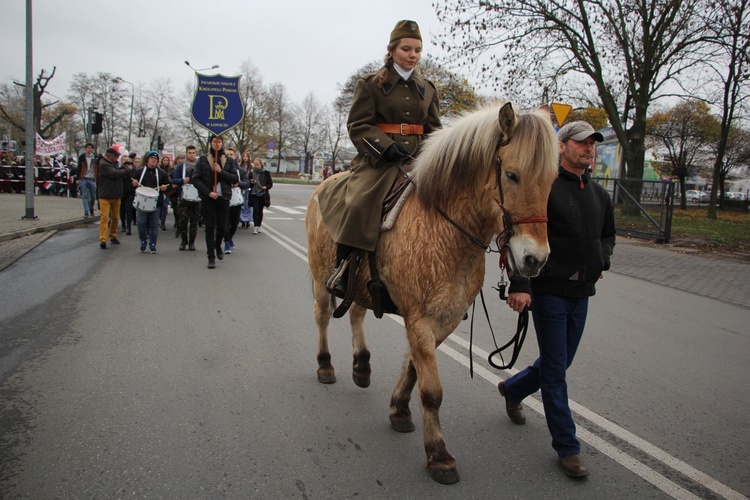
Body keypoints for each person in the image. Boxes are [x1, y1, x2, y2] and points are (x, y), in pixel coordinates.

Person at [497, 121, 616, 479]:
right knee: (555, 371)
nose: (589, 149)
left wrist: (602, 259)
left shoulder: (599, 193)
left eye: (593, 143)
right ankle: (568, 448)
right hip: (549, 290)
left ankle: (513, 387)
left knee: (558, 364)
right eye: (581, 143)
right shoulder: (545, 187)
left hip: (582, 293)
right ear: (561, 146)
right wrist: (521, 283)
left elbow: (608, 235)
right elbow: (520, 231)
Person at [317, 19, 441, 297]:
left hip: (419, 159)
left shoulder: (428, 89)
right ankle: (344, 267)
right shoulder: (371, 84)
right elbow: (358, 125)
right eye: (406, 49)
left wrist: (436, 155)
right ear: (392, 50)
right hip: (380, 161)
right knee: (359, 201)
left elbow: (434, 129)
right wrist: (385, 147)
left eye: (418, 50)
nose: (413, 55)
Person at [191, 135, 239, 269]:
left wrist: (220, 171)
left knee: (223, 227)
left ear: (222, 143)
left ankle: (218, 245)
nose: (216, 144)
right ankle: (210, 257)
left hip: (223, 198)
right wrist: (208, 192)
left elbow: (234, 178)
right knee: (210, 227)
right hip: (208, 199)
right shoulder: (203, 160)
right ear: (211, 143)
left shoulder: (228, 160)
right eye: (214, 141)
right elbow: (196, 179)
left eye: (219, 141)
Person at [131, 151, 172, 254]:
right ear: (147, 159)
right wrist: (134, 183)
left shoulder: (161, 173)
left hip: (156, 202)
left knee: (154, 225)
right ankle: (143, 240)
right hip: (142, 202)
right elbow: (131, 184)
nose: (153, 160)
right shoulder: (140, 171)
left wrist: (164, 187)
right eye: (152, 158)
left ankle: (153, 244)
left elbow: (169, 185)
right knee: (141, 223)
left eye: (156, 158)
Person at [96, 148, 134, 249]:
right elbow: (114, 174)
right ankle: (103, 239)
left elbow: (118, 172)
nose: (117, 158)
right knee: (104, 218)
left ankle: (113, 235)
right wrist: (126, 170)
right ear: (110, 156)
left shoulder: (115, 164)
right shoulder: (103, 164)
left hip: (116, 194)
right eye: (116, 156)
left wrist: (124, 168)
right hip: (105, 195)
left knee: (115, 218)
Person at [170, 145, 200, 251]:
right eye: (190, 153)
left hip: (196, 198)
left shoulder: (199, 166)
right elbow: (174, 179)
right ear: (186, 154)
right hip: (184, 198)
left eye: (193, 153)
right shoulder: (181, 166)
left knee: (194, 221)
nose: (192, 155)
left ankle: (192, 242)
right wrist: (182, 181)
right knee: (182, 220)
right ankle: (183, 241)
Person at [222, 148, 250, 253]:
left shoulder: (240, 171)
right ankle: (227, 243)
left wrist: (239, 184)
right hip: (224, 199)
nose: (229, 156)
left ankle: (229, 239)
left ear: (235, 157)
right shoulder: (221, 169)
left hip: (236, 200)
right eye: (227, 154)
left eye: (231, 154)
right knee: (225, 222)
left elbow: (246, 183)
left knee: (234, 223)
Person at [248, 158, 273, 234]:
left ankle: (259, 225)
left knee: (260, 210)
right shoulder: (252, 172)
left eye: (257, 164)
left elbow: (270, 183)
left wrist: (266, 187)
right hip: (254, 193)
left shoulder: (266, 173)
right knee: (255, 210)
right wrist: (251, 182)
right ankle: (255, 226)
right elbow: (248, 183)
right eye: (255, 164)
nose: (256, 166)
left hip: (262, 194)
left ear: (261, 164)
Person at [77, 143, 98, 217]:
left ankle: (91, 208)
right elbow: (79, 167)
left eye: (91, 148)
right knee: (84, 196)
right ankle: (86, 212)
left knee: (93, 196)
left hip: (92, 179)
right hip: (84, 178)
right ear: (86, 149)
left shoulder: (95, 157)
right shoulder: (82, 157)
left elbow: (98, 167)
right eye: (88, 147)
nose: (89, 149)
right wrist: (78, 178)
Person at [120, 157, 136, 235]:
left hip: (130, 192)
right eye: (126, 164)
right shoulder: (120, 170)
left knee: (129, 209)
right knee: (122, 209)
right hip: (121, 192)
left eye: (129, 164)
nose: (128, 166)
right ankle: (123, 224)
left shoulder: (134, 171)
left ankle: (128, 226)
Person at [238, 152, 253, 228]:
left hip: (248, 187)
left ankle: (247, 220)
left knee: (248, 204)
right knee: (242, 203)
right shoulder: (240, 166)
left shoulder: (251, 167)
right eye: (243, 156)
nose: (245, 158)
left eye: (246, 156)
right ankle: (242, 220)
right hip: (242, 187)